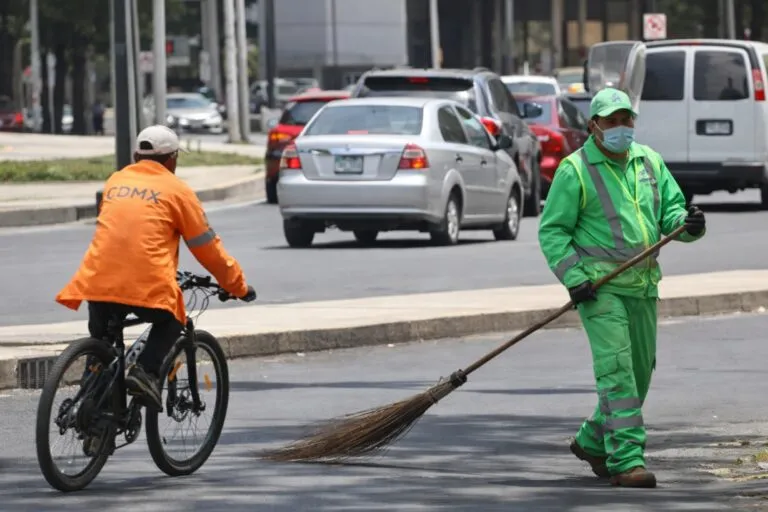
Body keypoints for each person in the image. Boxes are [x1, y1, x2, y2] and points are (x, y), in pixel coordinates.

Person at [538, 88, 706, 488]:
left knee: (639, 374)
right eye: (610, 121)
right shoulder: (574, 170)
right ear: (593, 126)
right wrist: (576, 279)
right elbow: (553, 231)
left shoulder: (650, 162)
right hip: (600, 288)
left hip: (643, 284)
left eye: (625, 120)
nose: (620, 128)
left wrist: (689, 224)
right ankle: (627, 460)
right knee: (618, 375)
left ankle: (591, 440)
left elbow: (671, 213)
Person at [56, 125, 256, 411]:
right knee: (172, 319)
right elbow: (207, 249)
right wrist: (237, 285)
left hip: (96, 280)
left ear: (137, 155)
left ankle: (90, 410)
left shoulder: (115, 180)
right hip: (144, 283)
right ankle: (145, 373)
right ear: (173, 159)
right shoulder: (178, 191)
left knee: (101, 344)